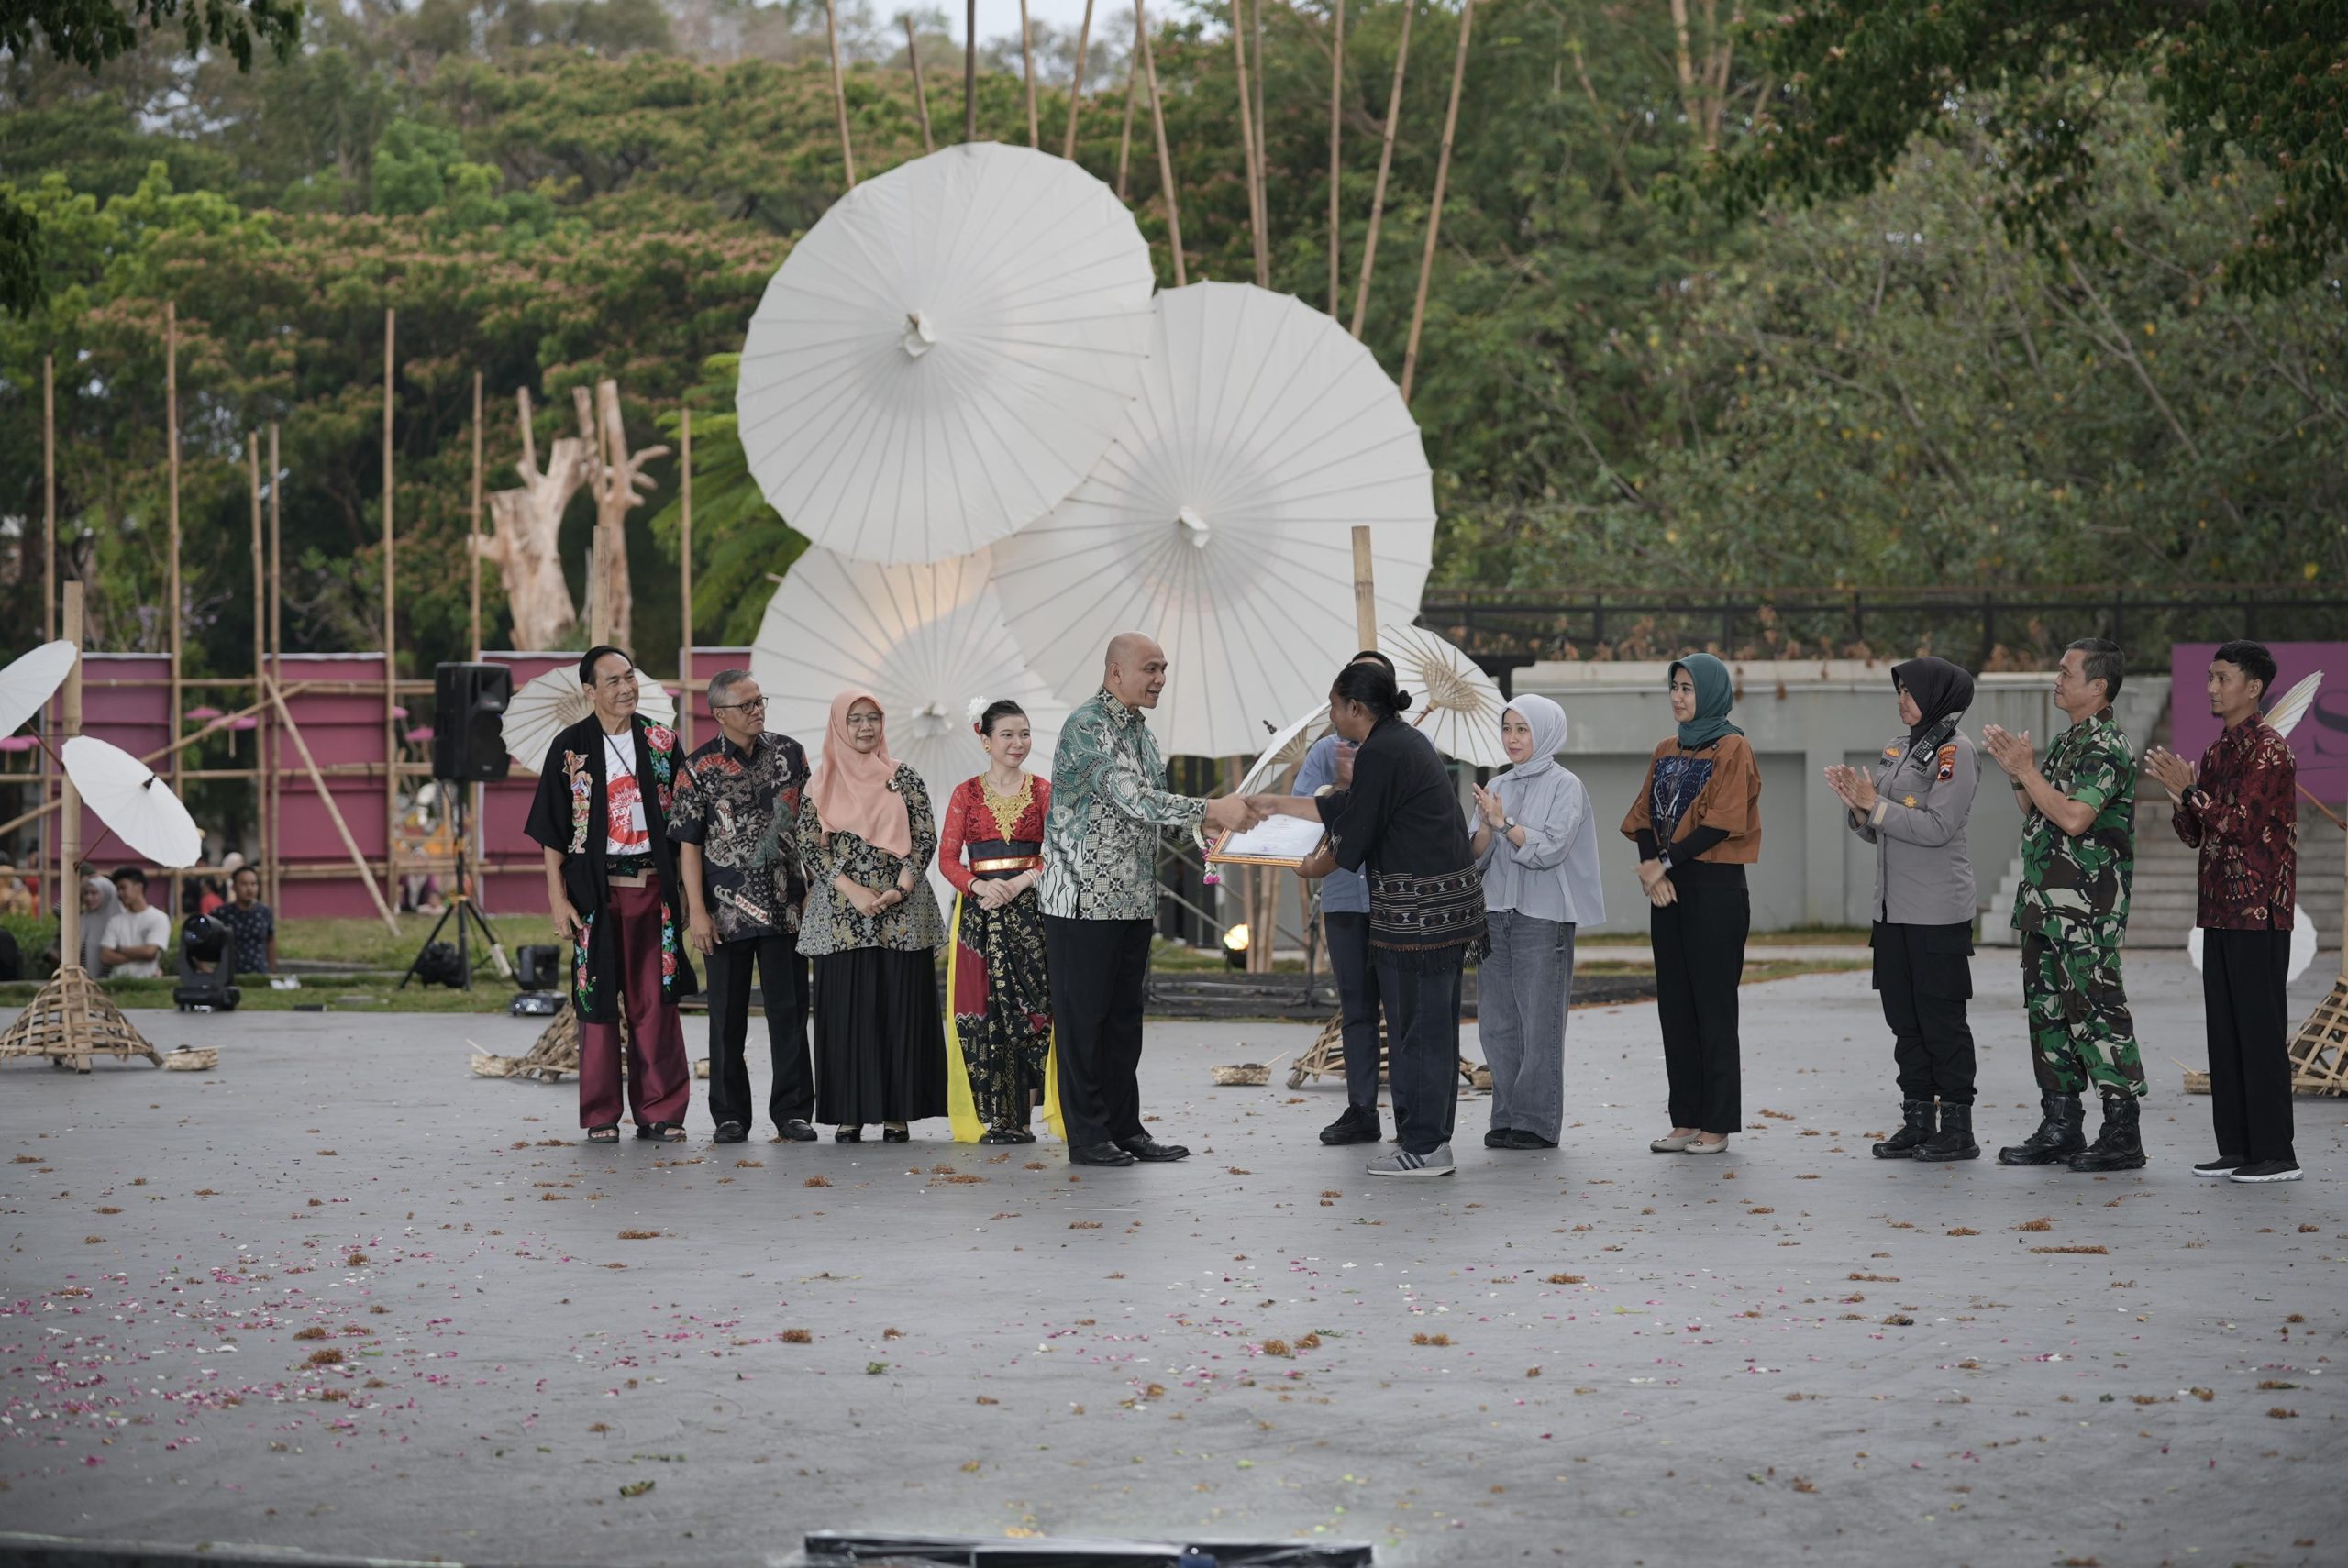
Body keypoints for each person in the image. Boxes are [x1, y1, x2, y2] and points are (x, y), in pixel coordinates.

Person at [1249, 661, 1486, 1176]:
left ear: (1355, 708)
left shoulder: (1382, 750)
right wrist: (1273, 805)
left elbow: (1353, 834)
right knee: (1429, 1025)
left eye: (1335, 706)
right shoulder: (1400, 741)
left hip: (1422, 912)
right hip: (1440, 907)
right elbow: (1347, 806)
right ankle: (1427, 1140)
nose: (1331, 716)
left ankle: (1426, 1146)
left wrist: (1310, 866)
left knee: (1420, 1029)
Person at [1039, 633, 1263, 1167]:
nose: (1160, 678)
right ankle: (1088, 1136)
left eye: (1164, 668)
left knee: (1123, 1022)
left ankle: (1125, 1128)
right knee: (1084, 1022)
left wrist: (1208, 835)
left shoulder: (1140, 732)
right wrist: (1211, 807)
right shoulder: (1086, 726)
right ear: (1115, 673)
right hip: (1082, 901)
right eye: (1151, 668)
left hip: (1133, 898)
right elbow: (1132, 798)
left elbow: (1151, 813)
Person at [524, 645, 699, 1145]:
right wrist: (558, 899)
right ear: (590, 691)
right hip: (595, 898)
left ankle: (661, 1112)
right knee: (595, 1002)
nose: (626, 688)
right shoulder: (570, 748)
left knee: (656, 1003)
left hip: (655, 890)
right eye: (614, 681)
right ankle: (601, 1114)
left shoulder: (662, 741)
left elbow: (686, 827)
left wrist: (688, 894)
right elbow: (552, 834)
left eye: (630, 677)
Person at [1983, 637, 2145, 1172]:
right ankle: (2061, 1124)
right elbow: (2036, 807)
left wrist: (2029, 771)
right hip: (2047, 905)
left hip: (2086, 910)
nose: (2056, 678)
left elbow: (2075, 817)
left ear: (2097, 686)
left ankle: (2122, 1131)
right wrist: (2018, 770)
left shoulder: (2107, 745)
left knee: (2097, 1011)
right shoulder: (2069, 741)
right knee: (2049, 1015)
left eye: (2065, 671)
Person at [2146, 640, 2301, 1185]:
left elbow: (2238, 825)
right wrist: (2177, 795)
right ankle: (2236, 1148)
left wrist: (2191, 792)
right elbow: (2197, 834)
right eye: (2209, 678)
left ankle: (2276, 1153)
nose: (2211, 688)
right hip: (2218, 909)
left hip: (2259, 910)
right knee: (2226, 1031)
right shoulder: (2216, 754)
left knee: (2260, 1031)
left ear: (2253, 687)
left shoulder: (2269, 750)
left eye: (2222, 678)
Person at [1824, 657, 1982, 1162]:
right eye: (1898, 691)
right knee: (1904, 1020)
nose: (1901, 700)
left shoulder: (1956, 752)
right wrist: (1857, 806)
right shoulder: (1898, 748)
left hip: (1936, 912)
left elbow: (1937, 827)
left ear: (1937, 695)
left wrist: (1875, 806)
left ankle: (1957, 1125)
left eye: (1909, 691)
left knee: (1942, 1021)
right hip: (1892, 910)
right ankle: (1918, 1119)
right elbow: (1878, 826)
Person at [670, 668, 818, 1146]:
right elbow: (687, 845)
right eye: (746, 705)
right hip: (724, 914)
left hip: (786, 908)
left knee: (790, 1013)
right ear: (718, 715)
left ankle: (793, 1112)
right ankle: (730, 1116)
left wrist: (815, 885)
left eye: (760, 701)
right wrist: (696, 911)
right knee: (725, 1017)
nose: (757, 711)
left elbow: (812, 824)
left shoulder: (791, 754)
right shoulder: (697, 768)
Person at [1621, 653, 1761, 1156]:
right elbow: (1640, 818)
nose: (1678, 696)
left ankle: (1717, 1123)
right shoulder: (1666, 749)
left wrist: (1665, 862)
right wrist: (1651, 869)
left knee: (1713, 1008)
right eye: (1674, 687)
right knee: (1675, 1007)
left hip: (1715, 888)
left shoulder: (1733, 746)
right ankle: (1685, 1118)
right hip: (1668, 887)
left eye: (1688, 688)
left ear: (1712, 692)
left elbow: (1722, 821)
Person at [796, 691, 948, 1143]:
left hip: (903, 914)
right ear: (839, 726)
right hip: (842, 917)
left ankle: (898, 1111)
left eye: (873, 719)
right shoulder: (819, 783)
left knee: (900, 1009)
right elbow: (809, 843)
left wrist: (900, 887)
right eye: (856, 720)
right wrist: (852, 890)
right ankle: (849, 1112)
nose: (866, 728)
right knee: (847, 1012)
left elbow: (924, 835)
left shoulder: (904, 778)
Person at [1469, 692, 1603, 1153]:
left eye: (1522, 729)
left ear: (1544, 732)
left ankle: (1536, 1122)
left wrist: (1504, 824)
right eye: (1507, 729)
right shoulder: (1496, 784)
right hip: (1495, 913)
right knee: (1497, 1023)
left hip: (1543, 919)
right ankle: (1506, 1114)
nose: (1512, 739)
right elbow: (1474, 856)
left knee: (1539, 1022)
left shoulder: (1567, 786)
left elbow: (1549, 850)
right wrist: (1486, 825)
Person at [939, 699, 1059, 1144]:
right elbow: (948, 859)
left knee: (1034, 1010)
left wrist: (1024, 880)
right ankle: (997, 1118)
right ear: (985, 739)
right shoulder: (965, 794)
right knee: (983, 1011)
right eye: (1007, 734)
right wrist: (978, 886)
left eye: (1024, 733)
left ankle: (1024, 1118)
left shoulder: (1044, 791)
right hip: (979, 917)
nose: (1017, 743)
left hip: (1031, 916)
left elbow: (1058, 856)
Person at [1292, 649, 1399, 1147]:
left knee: (1402, 1009)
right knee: (1357, 1007)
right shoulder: (1324, 750)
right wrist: (1339, 785)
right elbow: (1298, 815)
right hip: (1342, 896)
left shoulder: (1404, 746)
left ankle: (1412, 1114)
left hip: (1397, 900)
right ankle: (1361, 1111)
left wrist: (1367, 786)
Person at [100, 866, 172, 979]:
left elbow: (150, 953)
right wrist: (141, 954)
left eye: (123, 887)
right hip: (118, 983)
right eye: (118, 889)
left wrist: (119, 949)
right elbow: (105, 956)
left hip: (147, 983)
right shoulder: (115, 921)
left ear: (139, 887)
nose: (120, 893)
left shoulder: (159, 918)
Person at [216, 863, 277, 976]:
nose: (249, 889)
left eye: (253, 884)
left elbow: (271, 940)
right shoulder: (222, 913)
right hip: (230, 977)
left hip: (260, 975)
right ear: (234, 887)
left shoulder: (265, 912)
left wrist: (272, 970)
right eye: (244, 884)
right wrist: (204, 970)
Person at [78, 874, 121, 975]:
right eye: (86, 893)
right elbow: (57, 910)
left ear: (106, 893)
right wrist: (79, 886)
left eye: (94, 893)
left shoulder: (119, 921)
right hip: (82, 981)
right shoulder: (83, 917)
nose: (89, 897)